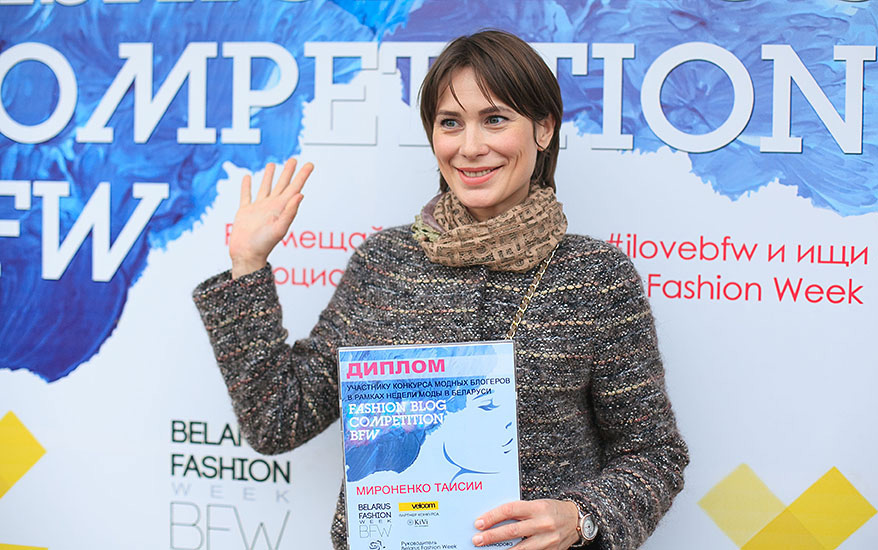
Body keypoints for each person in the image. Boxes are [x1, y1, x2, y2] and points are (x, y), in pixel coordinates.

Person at [193, 30, 688, 550]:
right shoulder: (385, 263)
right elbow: (278, 419)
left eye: (495, 119)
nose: (470, 147)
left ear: (543, 129)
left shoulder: (595, 276)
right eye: (450, 123)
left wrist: (580, 516)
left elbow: (653, 454)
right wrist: (247, 264)